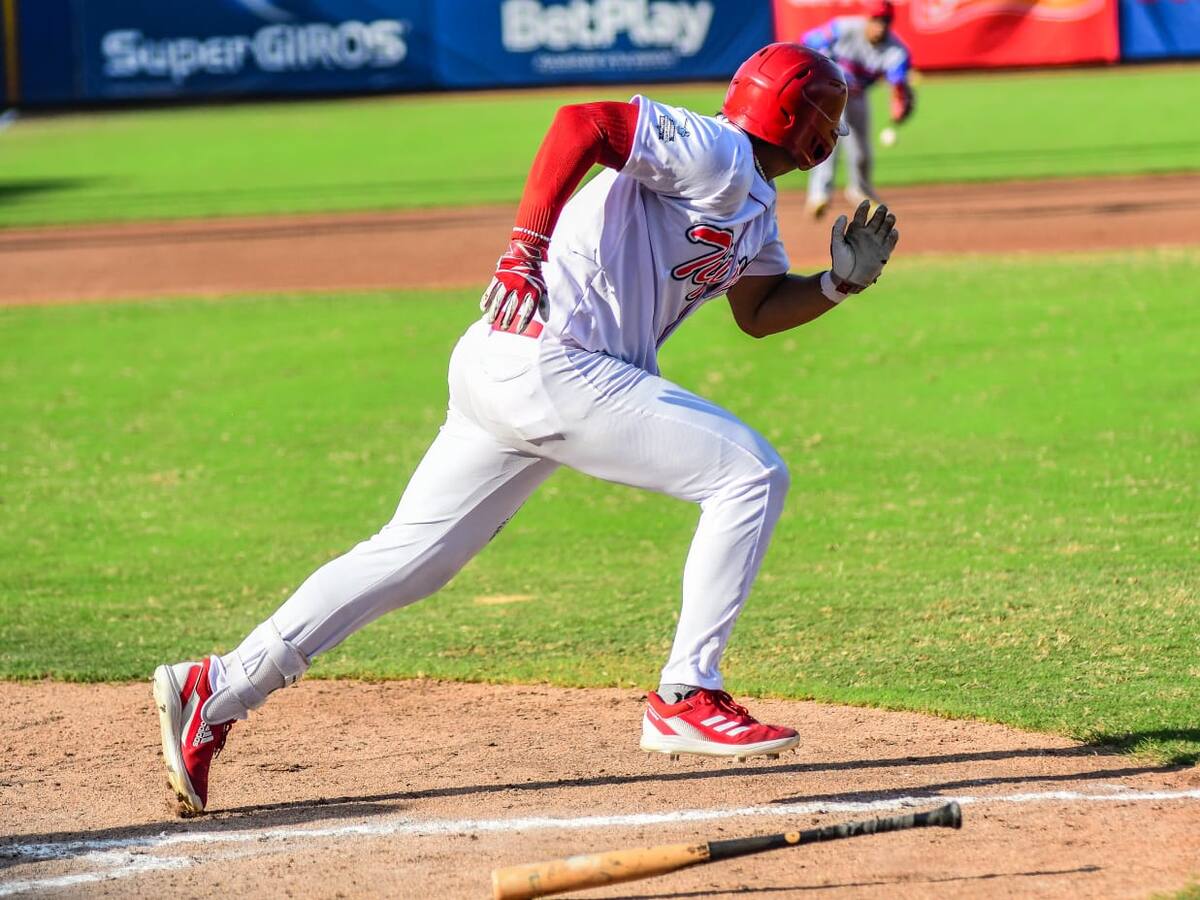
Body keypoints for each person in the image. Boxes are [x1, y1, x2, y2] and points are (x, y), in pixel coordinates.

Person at [153, 43, 900, 814]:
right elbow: (583, 122)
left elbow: (759, 310)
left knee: (412, 559)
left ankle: (217, 689)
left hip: (516, 367)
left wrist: (839, 285)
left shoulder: (750, 203)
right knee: (749, 474)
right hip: (557, 361)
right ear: (807, 124)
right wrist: (525, 247)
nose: (834, 134)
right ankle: (687, 691)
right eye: (831, 120)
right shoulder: (715, 149)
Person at [801, 0, 915, 218]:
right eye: (876, 20)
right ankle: (819, 195)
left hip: (856, 97)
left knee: (862, 150)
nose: (880, 25)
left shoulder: (896, 50)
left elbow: (898, 83)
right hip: (829, 92)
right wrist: (825, 53)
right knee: (828, 141)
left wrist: (900, 99)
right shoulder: (843, 28)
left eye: (885, 21)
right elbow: (808, 39)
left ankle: (860, 190)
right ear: (867, 19)